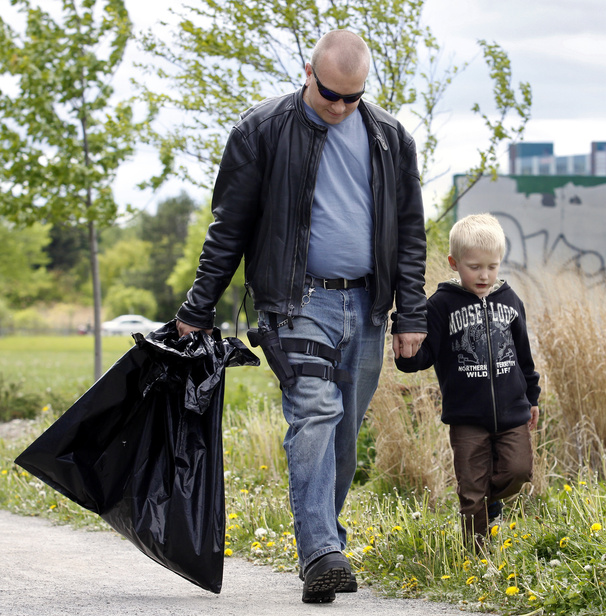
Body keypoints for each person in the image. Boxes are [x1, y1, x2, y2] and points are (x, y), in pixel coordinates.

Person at [174, 30, 427, 603]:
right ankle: (319, 552)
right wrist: (198, 308)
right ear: (307, 71)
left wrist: (410, 313)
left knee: (344, 431)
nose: (340, 108)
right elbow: (228, 229)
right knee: (314, 413)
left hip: (366, 303)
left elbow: (410, 231)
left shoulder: (390, 138)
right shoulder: (261, 130)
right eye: (331, 94)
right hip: (295, 300)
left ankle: (325, 544)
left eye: (353, 98)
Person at [395, 213, 540, 545]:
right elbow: (422, 355)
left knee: (518, 471)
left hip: (512, 412)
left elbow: (524, 355)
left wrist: (532, 398)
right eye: (474, 267)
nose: (484, 275)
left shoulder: (510, 301)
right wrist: (406, 350)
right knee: (470, 492)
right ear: (454, 262)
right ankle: (477, 557)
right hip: (466, 417)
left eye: (492, 266)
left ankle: (492, 501)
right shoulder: (441, 305)